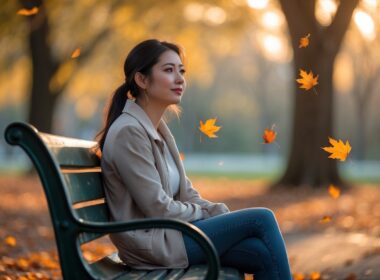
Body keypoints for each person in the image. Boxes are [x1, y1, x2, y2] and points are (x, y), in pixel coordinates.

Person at [96, 39, 292, 280]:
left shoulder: (158, 130)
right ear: (142, 80)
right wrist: (204, 214)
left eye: (181, 71)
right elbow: (157, 207)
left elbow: (186, 193)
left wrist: (213, 210)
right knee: (262, 218)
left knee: (260, 253)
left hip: (171, 235)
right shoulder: (129, 132)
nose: (180, 79)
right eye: (168, 70)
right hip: (153, 245)